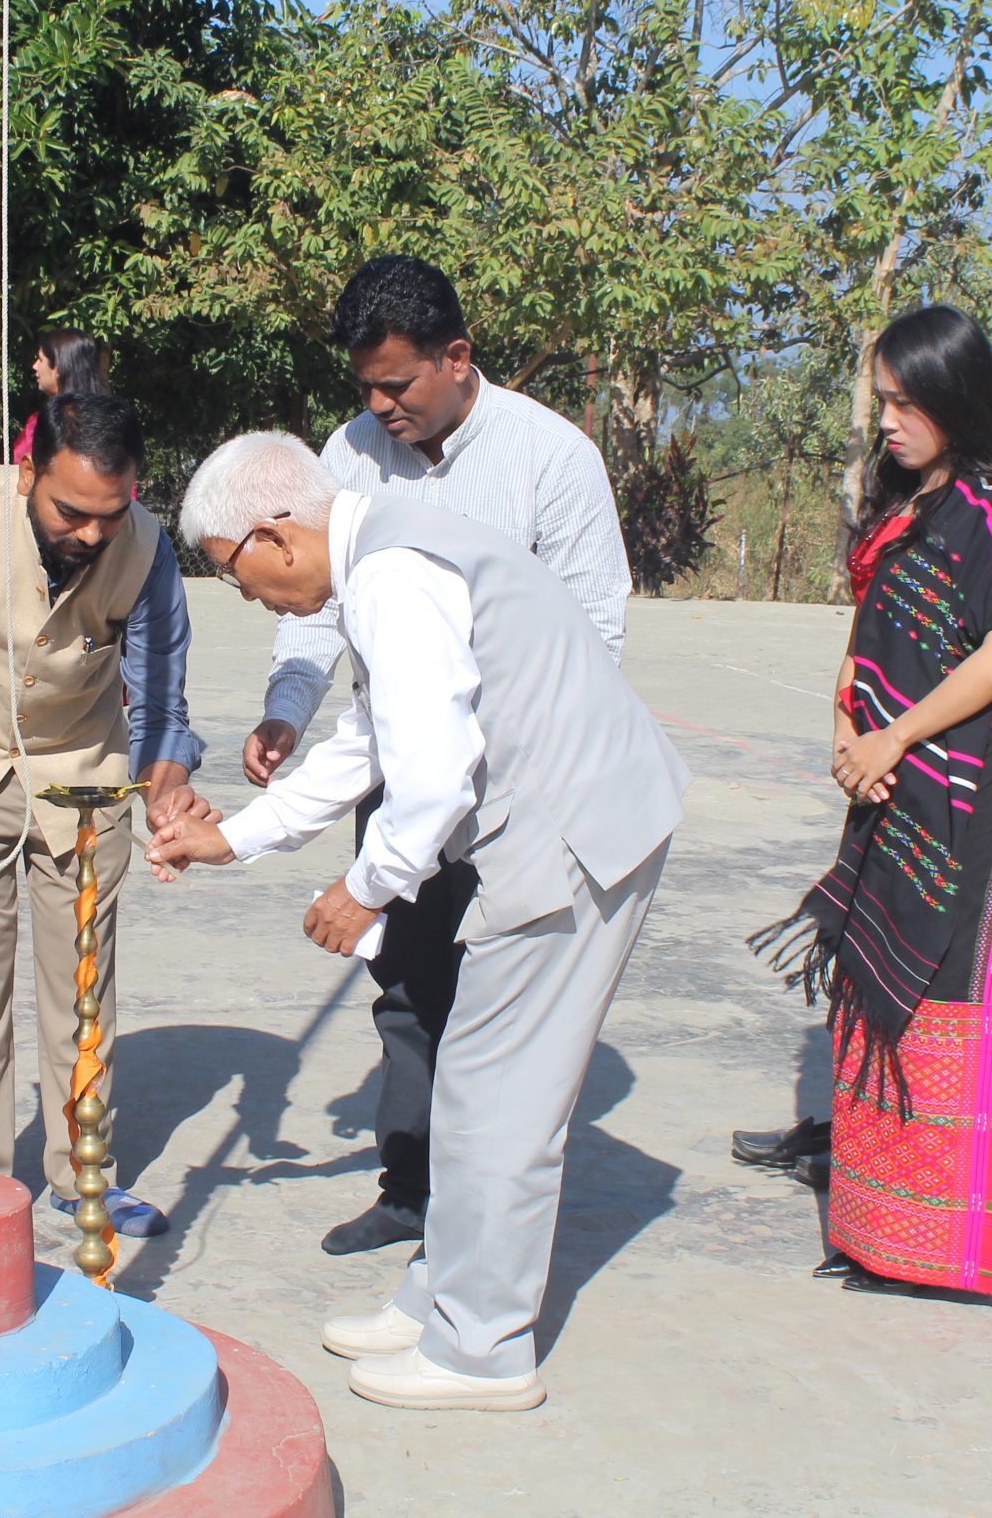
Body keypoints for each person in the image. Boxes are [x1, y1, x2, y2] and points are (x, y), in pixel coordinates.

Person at [148, 433, 687, 1411]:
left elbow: (431, 777)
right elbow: (370, 740)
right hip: (555, 824)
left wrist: (368, 885)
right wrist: (237, 837)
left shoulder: (392, 575)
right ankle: (446, 1293)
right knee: (471, 1081)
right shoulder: (385, 558)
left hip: (576, 834)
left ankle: (483, 1348)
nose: (252, 599)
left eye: (235, 576)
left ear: (273, 536)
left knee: (500, 1099)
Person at [250, 255, 631, 1259]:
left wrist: (509, 766)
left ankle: (479, 1226)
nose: (380, 409)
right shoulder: (349, 453)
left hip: (518, 791)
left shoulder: (550, 458)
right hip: (401, 766)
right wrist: (288, 710)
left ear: (456, 357)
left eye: (396, 385)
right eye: (364, 388)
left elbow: (593, 630)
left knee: (498, 1004)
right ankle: (410, 1191)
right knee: (407, 986)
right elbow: (313, 603)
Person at [749, 304, 992, 1304]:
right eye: (882, 401)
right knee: (874, 978)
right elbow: (868, 633)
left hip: (967, 796)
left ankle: (937, 1249)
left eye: (906, 403)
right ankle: (874, 1221)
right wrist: (845, 729)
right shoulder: (909, 501)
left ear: (955, 397)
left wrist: (892, 737)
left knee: (945, 993)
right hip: (889, 781)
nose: (888, 421)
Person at [0, 391, 204, 1236]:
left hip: (86, 774)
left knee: (82, 990)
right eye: (71, 512)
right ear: (28, 473)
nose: (92, 533)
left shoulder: (146, 549)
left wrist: (165, 795)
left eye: (111, 513)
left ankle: (83, 1172)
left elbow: (161, 704)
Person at [9, 327, 110, 466]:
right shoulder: (109, 421)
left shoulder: (40, 425)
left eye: (40, 360)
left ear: (59, 367)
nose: (35, 366)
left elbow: (22, 467)